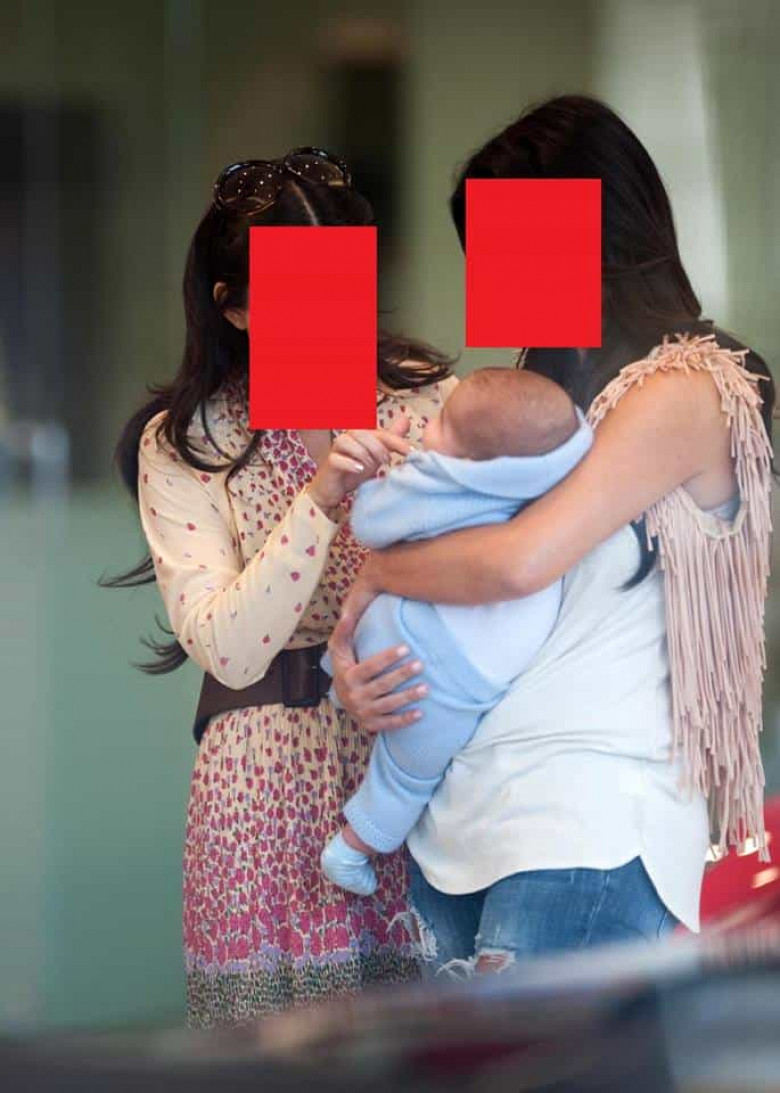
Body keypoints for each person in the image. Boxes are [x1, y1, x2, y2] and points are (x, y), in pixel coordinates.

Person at [326, 96, 775, 974]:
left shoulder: (691, 387)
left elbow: (517, 563)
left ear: (593, 230)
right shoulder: (536, 405)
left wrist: (379, 573)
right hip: (461, 824)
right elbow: (474, 598)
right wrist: (371, 674)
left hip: (586, 826)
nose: (488, 280)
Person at [103, 149, 458, 1025]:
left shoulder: (427, 406)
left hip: (411, 756)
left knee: (432, 1042)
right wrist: (320, 497)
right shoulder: (189, 440)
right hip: (257, 786)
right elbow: (227, 645)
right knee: (269, 1057)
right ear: (235, 305)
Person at [319, 368, 592, 895]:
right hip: (452, 663)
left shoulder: (439, 479)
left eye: (439, 421)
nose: (428, 427)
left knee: (406, 764)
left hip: (411, 640)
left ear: (467, 456)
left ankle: (352, 835)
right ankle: (354, 847)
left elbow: (370, 525)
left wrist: (377, 484)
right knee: (407, 774)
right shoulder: (555, 475)